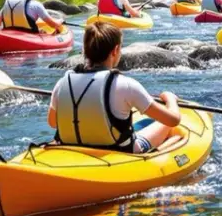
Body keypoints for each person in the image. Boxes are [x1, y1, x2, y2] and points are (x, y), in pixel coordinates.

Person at [48, 22, 181, 152]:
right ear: (115, 50)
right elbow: (173, 120)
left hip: (72, 147)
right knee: (166, 125)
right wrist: (170, 99)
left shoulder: (62, 83)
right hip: (119, 152)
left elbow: (53, 123)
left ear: (85, 50)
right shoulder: (126, 84)